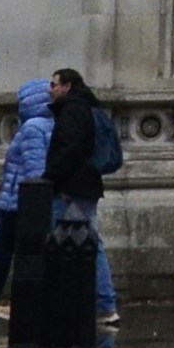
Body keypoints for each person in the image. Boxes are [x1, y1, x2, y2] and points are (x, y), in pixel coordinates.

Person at [0, 73, 55, 329]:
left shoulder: (32, 128)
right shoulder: (50, 124)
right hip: (24, 200)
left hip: (20, 201)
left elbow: (34, 168)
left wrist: (27, 198)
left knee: (6, 252)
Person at [54, 64, 122, 325]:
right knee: (80, 243)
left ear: (67, 86)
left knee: (80, 244)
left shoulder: (73, 110)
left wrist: (51, 176)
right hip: (87, 186)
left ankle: (103, 304)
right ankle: (98, 304)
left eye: (54, 84)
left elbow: (69, 149)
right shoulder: (91, 109)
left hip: (72, 188)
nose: (50, 90)